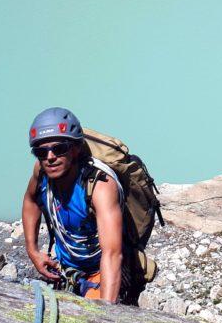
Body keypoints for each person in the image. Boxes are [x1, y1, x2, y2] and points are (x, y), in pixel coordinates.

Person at [21, 107, 139, 304]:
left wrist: (105, 312)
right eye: (41, 152)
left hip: (101, 270)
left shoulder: (100, 186)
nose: (50, 157)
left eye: (59, 149)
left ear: (75, 149)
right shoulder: (41, 173)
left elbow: (112, 254)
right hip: (63, 269)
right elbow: (31, 200)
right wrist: (32, 250)